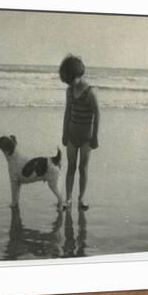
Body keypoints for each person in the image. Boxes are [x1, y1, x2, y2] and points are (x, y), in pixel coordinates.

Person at [59, 54, 100, 211]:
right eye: (67, 82)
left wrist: (95, 137)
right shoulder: (69, 91)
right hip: (71, 135)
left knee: (83, 168)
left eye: (70, 80)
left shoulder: (90, 92)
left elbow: (97, 115)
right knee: (70, 167)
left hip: (86, 138)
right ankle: (68, 198)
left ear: (78, 75)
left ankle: (81, 198)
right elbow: (67, 112)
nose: (69, 84)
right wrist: (64, 133)